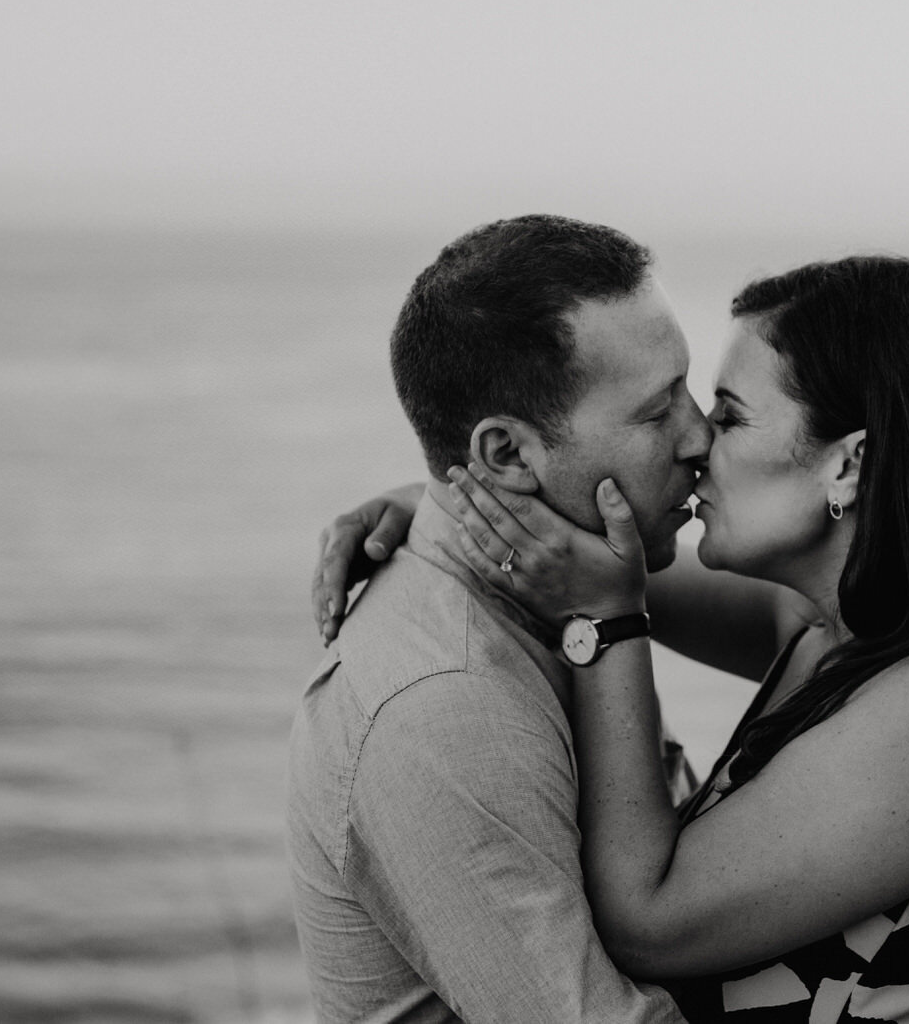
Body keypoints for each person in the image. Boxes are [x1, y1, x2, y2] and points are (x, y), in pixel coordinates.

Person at [317, 255, 909, 1022]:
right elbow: (587, 548)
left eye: (731, 415)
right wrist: (448, 500)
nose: (697, 446)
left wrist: (609, 627)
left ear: (848, 466)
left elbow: (650, 922)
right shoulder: (834, 629)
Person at [287, 214, 708, 1023]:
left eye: (687, 389)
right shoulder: (447, 707)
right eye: (658, 413)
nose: (699, 436)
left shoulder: (559, 598)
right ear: (508, 457)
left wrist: (438, 505)